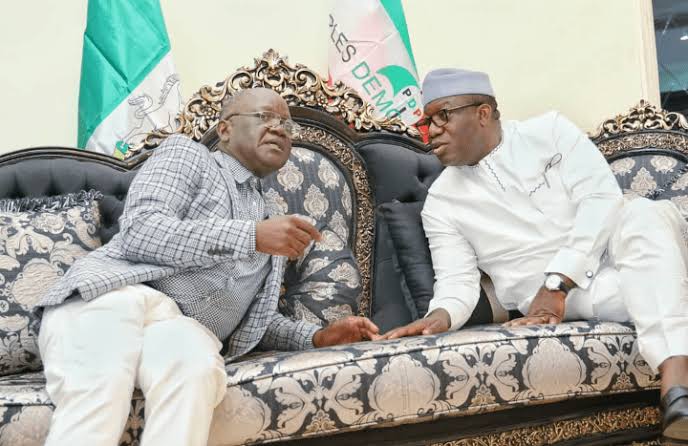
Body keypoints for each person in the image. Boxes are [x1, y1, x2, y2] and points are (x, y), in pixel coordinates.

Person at [36, 88, 380, 446]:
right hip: (114, 296)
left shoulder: (271, 216)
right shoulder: (188, 156)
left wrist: (316, 337)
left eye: (286, 124)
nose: (279, 128)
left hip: (179, 328)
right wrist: (251, 236)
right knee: (97, 405)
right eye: (265, 117)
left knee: (197, 369)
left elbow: (253, 321)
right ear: (225, 129)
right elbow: (142, 231)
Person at [380, 68, 688, 442]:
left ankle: (676, 383)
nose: (432, 131)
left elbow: (601, 199)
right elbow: (457, 283)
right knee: (661, 284)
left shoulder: (549, 133)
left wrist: (557, 281)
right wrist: (436, 318)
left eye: (442, 115)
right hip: (584, 297)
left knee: (644, 213)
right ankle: (679, 398)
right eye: (427, 121)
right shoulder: (441, 202)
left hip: (610, 247)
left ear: (482, 113)